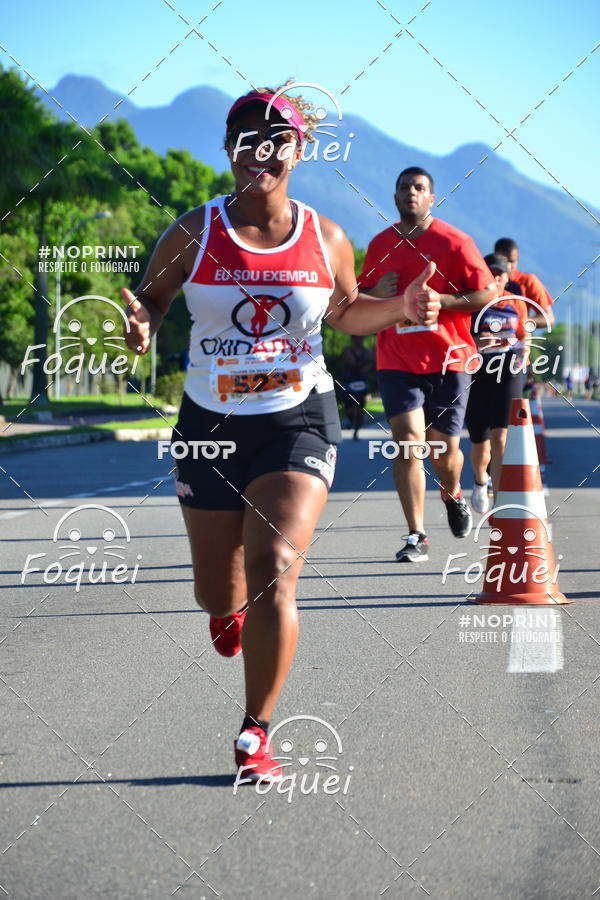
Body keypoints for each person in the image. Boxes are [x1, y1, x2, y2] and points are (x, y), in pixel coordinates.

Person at [121, 86, 440, 780]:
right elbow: (153, 297)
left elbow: (347, 312)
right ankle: (226, 612)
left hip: (298, 419)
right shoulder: (192, 232)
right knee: (219, 591)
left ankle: (254, 733)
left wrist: (400, 308)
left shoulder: (325, 238)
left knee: (274, 571)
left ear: (298, 150)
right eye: (246, 136)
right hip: (209, 423)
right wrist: (143, 322)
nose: (260, 150)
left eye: (276, 137)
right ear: (230, 148)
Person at [358, 167, 497, 562]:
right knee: (407, 444)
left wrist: (444, 302)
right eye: (404, 187)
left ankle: (453, 493)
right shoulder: (380, 244)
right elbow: (357, 297)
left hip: (450, 359)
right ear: (395, 196)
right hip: (396, 359)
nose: (411, 193)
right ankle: (417, 534)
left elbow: (487, 291)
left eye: (419, 188)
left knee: (443, 452)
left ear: (431, 198)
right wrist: (374, 292)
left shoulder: (454, 242)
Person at [465, 254, 530, 513]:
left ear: (506, 277)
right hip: (477, 371)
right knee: (480, 441)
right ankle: (481, 481)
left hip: (508, 370)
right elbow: (458, 340)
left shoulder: (516, 303)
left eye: (500, 274)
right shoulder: (470, 303)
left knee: (501, 437)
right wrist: (478, 343)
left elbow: (525, 338)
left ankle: (500, 502)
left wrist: (520, 352)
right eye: (490, 273)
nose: (496, 278)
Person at [494, 237, 555, 328]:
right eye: (504, 261)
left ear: (517, 258)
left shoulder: (528, 281)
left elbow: (548, 318)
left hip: (519, 339)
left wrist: (517, 321)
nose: (508, 266)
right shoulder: (486, 279)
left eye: (512, 261)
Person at [341, 335, 372, 439]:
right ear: (352, 339)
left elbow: (370, 365)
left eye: (360, 338)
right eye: (357, 338)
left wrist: (366, 368)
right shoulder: (347, 350)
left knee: (360, 408)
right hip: (349, 383)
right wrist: (363, 367)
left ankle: (356, 431)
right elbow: (352, 363)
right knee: (348, 407)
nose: (359, 340)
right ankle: (349, 420)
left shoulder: (366, 351)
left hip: (362, 383)